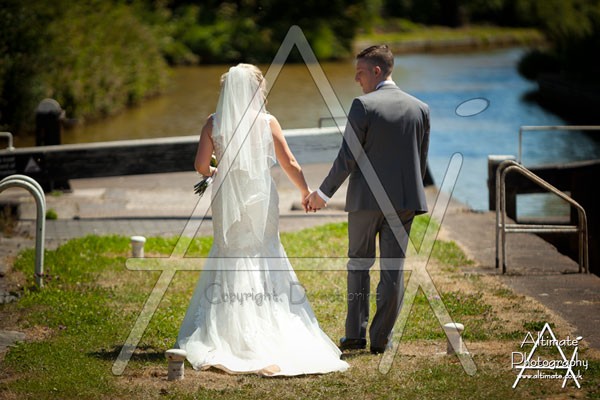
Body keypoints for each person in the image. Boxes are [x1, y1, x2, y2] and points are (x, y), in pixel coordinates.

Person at [176, 63, 349, 376]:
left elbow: (201, 166)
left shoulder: (214, 123)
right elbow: (289, 162)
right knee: (264, 251)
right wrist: (305, 191)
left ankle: (229, 330)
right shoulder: (267, 122)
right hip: (260, 199)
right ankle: (269, 319)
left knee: (230, 252)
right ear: (256, 90)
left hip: (228, 197)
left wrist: (219, 171)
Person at [305, 45, 430, 354]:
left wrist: (323, 193)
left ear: (376, 71)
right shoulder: (420, 109)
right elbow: (421, 161)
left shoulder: (363, 105)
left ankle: (355, 336)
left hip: (366, 201)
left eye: (360, 72)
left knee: (359, 265)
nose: (356, 79)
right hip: (403, 202)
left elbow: (347, 156)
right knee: (393, 270)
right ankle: (382, 340)